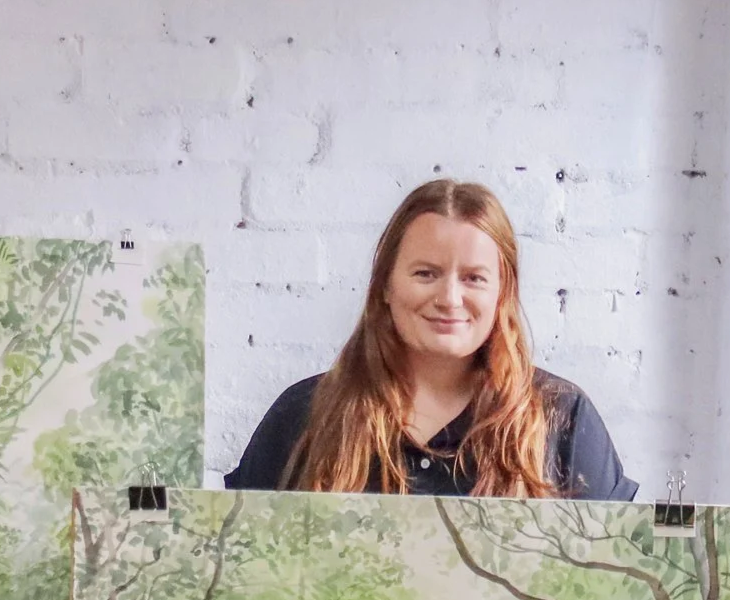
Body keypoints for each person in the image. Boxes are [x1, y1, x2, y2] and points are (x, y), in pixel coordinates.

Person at [226, 178, 638, 501]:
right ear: (385, 287)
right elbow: (235, 572)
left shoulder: (564, 418)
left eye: (474, 278)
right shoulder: (304, 415)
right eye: (426, 273)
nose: (449, 298)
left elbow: (617, 584)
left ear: (503, 294)